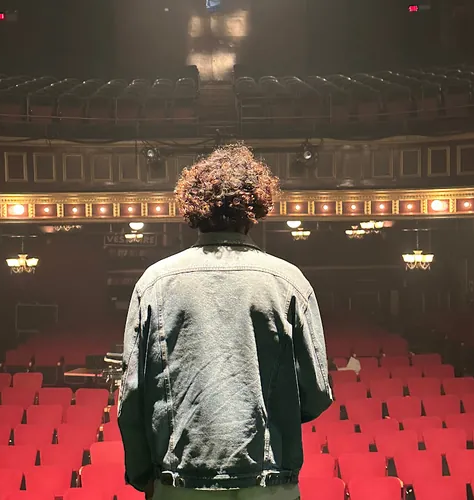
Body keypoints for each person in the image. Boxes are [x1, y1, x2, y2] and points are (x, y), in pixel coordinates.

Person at [118, 144, 333, 500]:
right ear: (254, 211)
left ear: (194, 209)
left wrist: (144, 477)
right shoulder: (289, 281)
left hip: (179, 484)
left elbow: (131, 398)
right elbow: (317, 393)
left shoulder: (154, 283)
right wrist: (268, 419)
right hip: (268, 485)